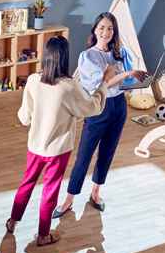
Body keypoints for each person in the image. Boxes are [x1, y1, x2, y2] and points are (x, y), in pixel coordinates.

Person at [8, 35, 144, 246]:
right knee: (49, 191)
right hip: (58, 150)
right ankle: (43, 235)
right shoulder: (69, 86)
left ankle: (13, 220)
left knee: (26, 184)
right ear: (64, 58)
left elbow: (24, 117)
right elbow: (93, 107)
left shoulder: (34, 81)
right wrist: (106, 82)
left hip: (35, 146)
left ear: (46, 56)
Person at [55, 12, 146, 217]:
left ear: (114, 32)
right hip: (98, 107)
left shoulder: (119, 53)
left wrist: (132, 80)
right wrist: (126, 74)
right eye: (102, 28)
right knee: (84, 155)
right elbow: (100, 84)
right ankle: (69, 199)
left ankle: (96, 193)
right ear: (95, 30)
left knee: (108, 151)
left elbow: (119, 82)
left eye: (110, 28)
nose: (106, 32)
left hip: (119, 106)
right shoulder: (88, 56)